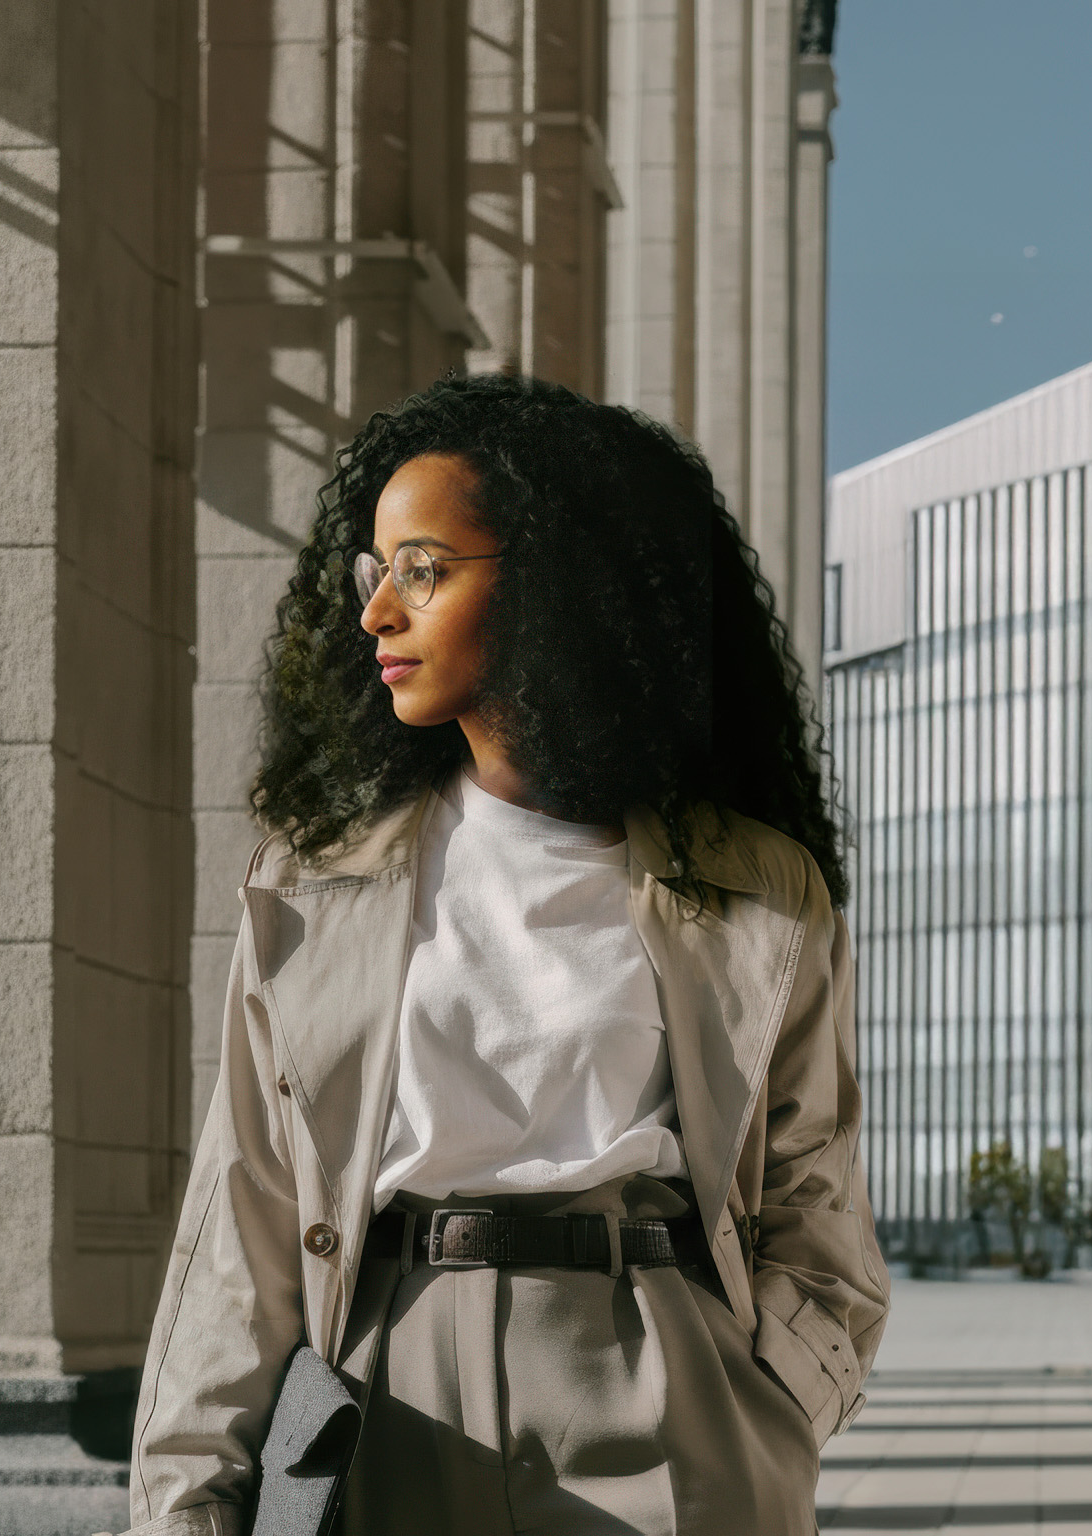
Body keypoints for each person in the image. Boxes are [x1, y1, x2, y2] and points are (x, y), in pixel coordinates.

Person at [119, 375, 888, 1535]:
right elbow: (246, 1213)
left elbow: (810, 1198)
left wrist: (763, 1408)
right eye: (370, 576)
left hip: (669, 1379)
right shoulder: (309, 883)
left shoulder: (755, 887)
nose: (377, 613)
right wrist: (188, 1496)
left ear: (552, 589)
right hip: (388, 1390)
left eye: (420, 570)